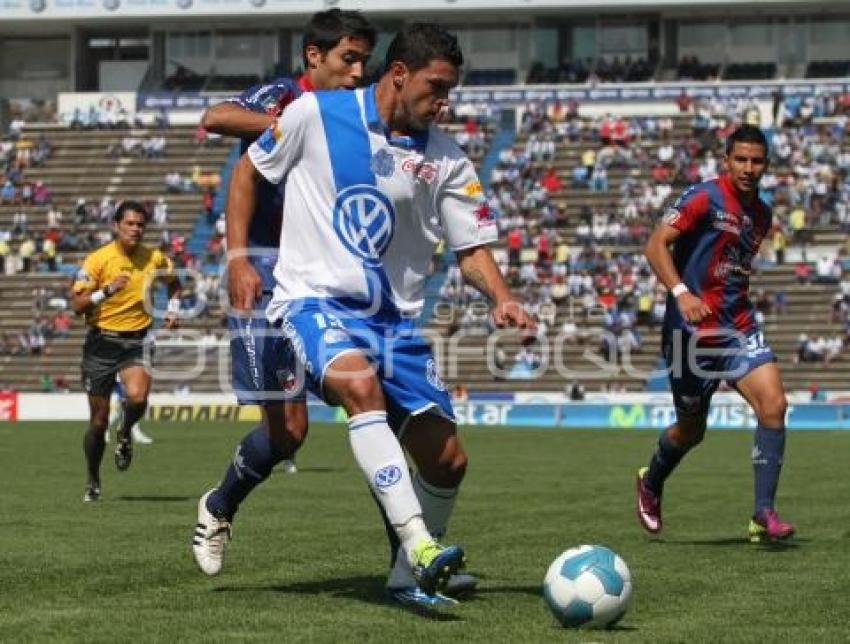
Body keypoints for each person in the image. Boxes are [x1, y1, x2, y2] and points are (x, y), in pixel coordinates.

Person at [195, 23, 533, 603]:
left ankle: (406, 574)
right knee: (337, 401)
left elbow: (472, 250)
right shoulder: (312, 113)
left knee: (447, 459)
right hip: (309, 299)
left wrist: (501, 297)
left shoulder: (447, 160)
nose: (445, 102)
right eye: (436, 87)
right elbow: (249, 168)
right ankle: (418, 547)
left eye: (452, 91)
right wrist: (236, 258)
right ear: (398, 75)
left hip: (392, 323)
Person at [636, 125, 794, 543]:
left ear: (766, 165)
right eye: (740, 159)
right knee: (691, 431)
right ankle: (651, 480)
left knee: (774, 405)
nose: (747, 167)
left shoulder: (762, 214)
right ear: (726, 161)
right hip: (690, 333)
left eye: (756, 161)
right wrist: (682, 293)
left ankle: (763, 513)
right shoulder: (703, 196)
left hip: (738, 326)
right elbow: (655, 245)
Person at [71, 201, 180, 502]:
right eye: (130, 223)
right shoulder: (98, 260)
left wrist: (173, 308)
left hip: (137, 340)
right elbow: (77, 305)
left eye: (140, 224)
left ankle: (126, 430)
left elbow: (175, 283)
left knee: (138, 398)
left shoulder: (154, 258)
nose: (135, 229)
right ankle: (93, 477)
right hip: (102, 343)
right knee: (98, 421)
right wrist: (106, 291)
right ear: (116, 226)